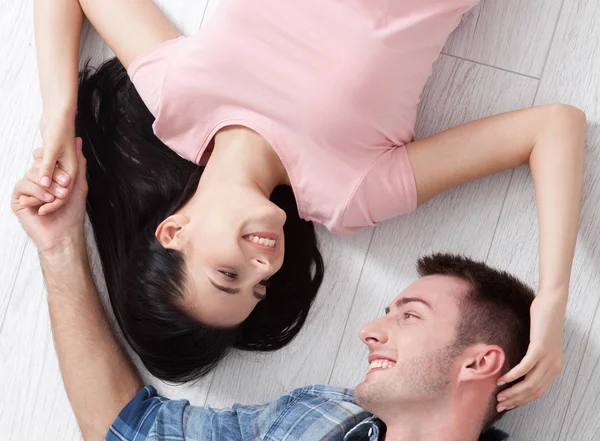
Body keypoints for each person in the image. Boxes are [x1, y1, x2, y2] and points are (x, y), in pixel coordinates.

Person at [11, 149, 599, 441]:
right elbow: (120, 431)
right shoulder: (303, 429)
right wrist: (59, 246)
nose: (370, 330)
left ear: (480, 362)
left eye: (409, 316)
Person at [31, 1, 585, 400]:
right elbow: (553, 128)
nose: (263, 264)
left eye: (229, 274)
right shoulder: (349, 194)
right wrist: (552, 299)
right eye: (261, 285)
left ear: (174, 231)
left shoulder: (175, 101)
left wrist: (57, 117)